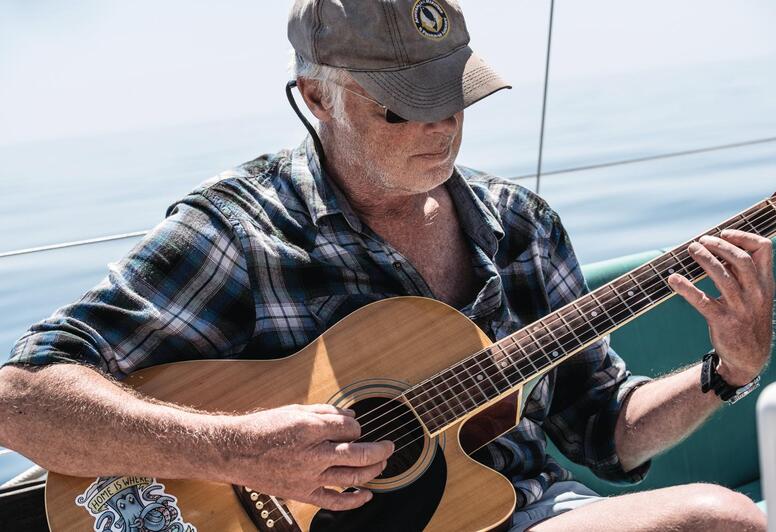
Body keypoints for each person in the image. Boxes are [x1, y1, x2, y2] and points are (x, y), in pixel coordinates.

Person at [0, 1, 773, 530]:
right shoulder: (242, 232)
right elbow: (20, 399)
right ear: (316, 96)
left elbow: (607, 433)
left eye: (455, 96)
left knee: (721, 520)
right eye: (402, 107)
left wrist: (728, 372)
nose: (441, 126)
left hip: (518, 512)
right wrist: (238, 451)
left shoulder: (521, 228)